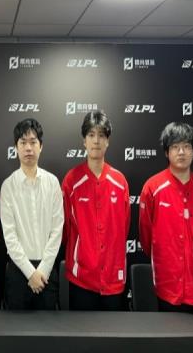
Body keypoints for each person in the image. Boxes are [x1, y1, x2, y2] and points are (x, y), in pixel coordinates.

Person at [139, 122, 193, 313]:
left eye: (186, 146)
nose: (181, 152)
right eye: (175, 147)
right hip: (169, 287)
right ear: (167, 152)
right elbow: (146, 236)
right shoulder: (152, 188)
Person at [62, 111, 130, 310]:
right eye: (91, 135)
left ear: (108, 141)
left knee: (113, 330)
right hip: (81, 278)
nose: (96, 141)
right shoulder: (72, 180)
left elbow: (124, 227)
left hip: (113, 278)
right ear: (84, 141)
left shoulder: (120, 182)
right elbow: (65, 228)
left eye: (101, 135)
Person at [0, 118, 64, 310]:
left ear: (41, 146)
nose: (28, 148)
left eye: (33, 142)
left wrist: (42, 270)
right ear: (16, 147)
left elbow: (57, 231)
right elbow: (10, 237)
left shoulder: (52, 183)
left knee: (49, 328)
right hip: (18, 274)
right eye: (23, 142)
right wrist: (30, 273)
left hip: (47, 273)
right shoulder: (8, 186)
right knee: (16, 329)